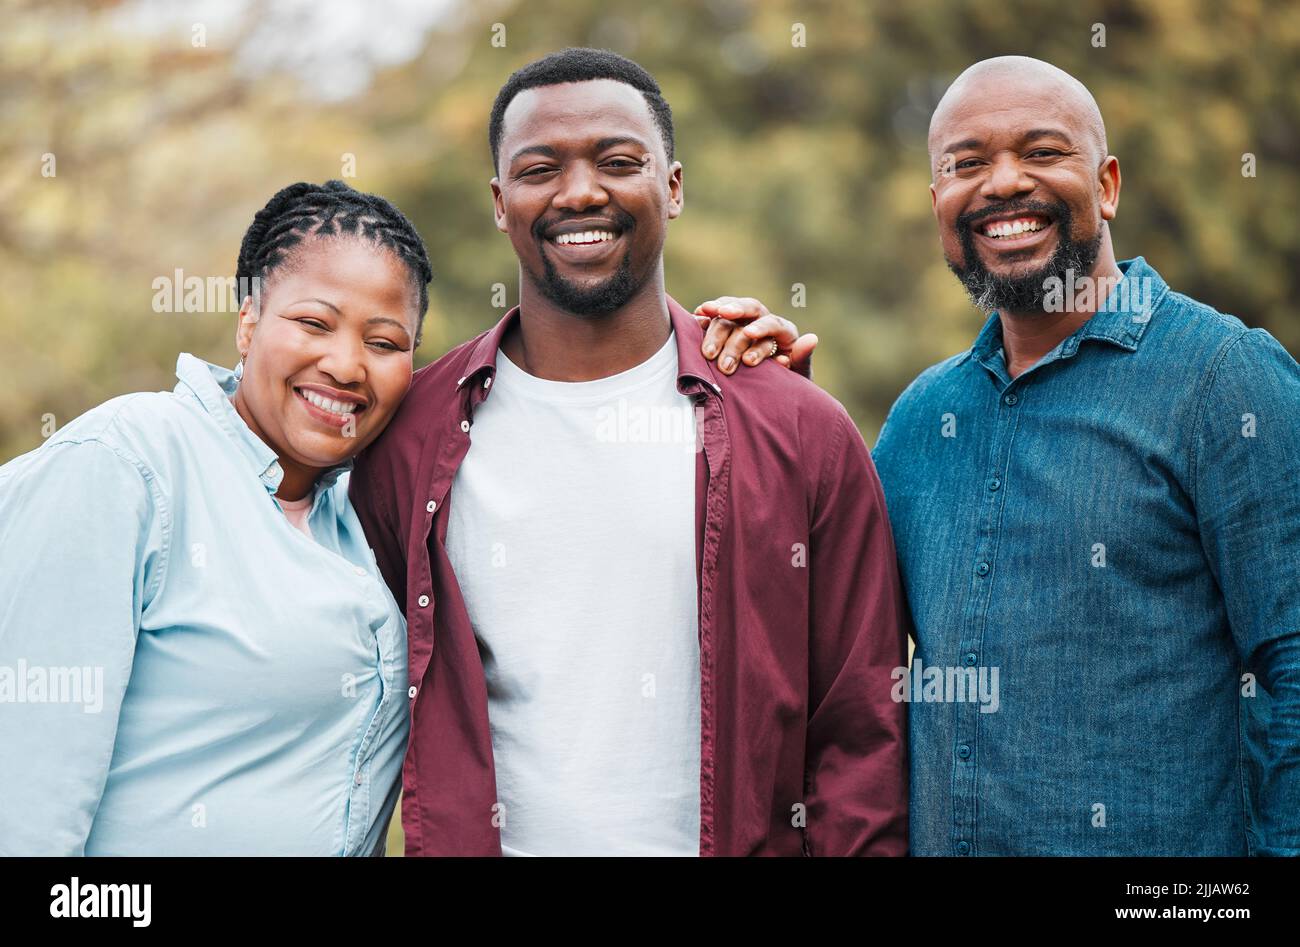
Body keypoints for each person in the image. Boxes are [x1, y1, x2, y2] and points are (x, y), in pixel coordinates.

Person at [698, 56, 1300, 856]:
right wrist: (781, 417)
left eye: (1042, 152)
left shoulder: (1225, 379)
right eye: (966, 164)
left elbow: (1291, 664)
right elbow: (827, 640)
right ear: (938, 206)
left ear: (1107, 185)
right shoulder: (922, 420)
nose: (1004, 183)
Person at [349, 48, 909, 856]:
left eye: (617, 162)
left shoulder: (800, 428)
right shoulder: (409, 437)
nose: (580, 192)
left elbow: (860, 735)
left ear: (672, 187)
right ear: (500, 203)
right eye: (540, 169)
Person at [0, 180, 429, 855]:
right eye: (314, 323)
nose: (347, 365)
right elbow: (24, 810)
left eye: (384, 342)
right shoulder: (124, 464)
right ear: (249, 321)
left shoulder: (367, 518)